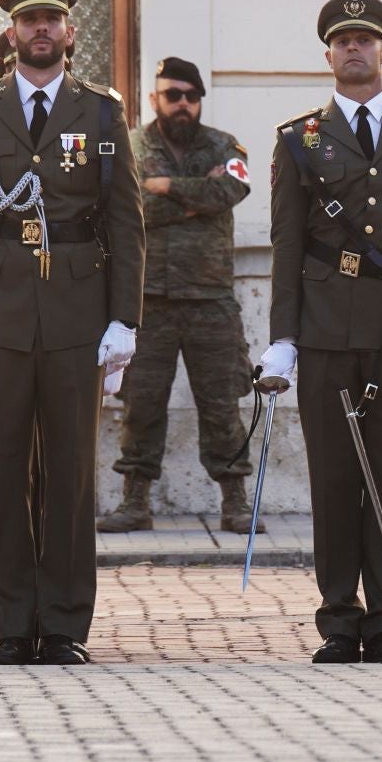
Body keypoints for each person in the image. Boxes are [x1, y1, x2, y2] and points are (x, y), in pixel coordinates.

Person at [0, 0, 145, 667]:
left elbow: (125, 222)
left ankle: (65, 625)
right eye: (29, 20)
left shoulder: (100, 113)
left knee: (71, 474)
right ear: (12, 33)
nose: (41, 29)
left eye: (51, 19)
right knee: (2, 471)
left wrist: (125, 320)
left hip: (78, 307)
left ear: (70, 32)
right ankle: (13, 625)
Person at [259, 0, 382, 665]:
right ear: (328, 56)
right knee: (334, 478)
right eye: (343, 40)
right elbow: (287, 244)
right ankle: (339, 620)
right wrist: (283, 337)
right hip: (324, 326)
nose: (354, 48)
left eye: (365, 39)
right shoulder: (299, 139)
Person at [98, 56, 261, 535]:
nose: (183, 104)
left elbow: (230, 191)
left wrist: (165, 186)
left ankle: (235, 502)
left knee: (222, 405)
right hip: (147, 300)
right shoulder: (130, 146)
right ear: (155, 99)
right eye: (173, 95)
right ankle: (135, 502)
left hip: (211, 299)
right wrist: (194, 200)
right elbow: (126, 208)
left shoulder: (225, 145)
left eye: (191, 96)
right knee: (141, 406)